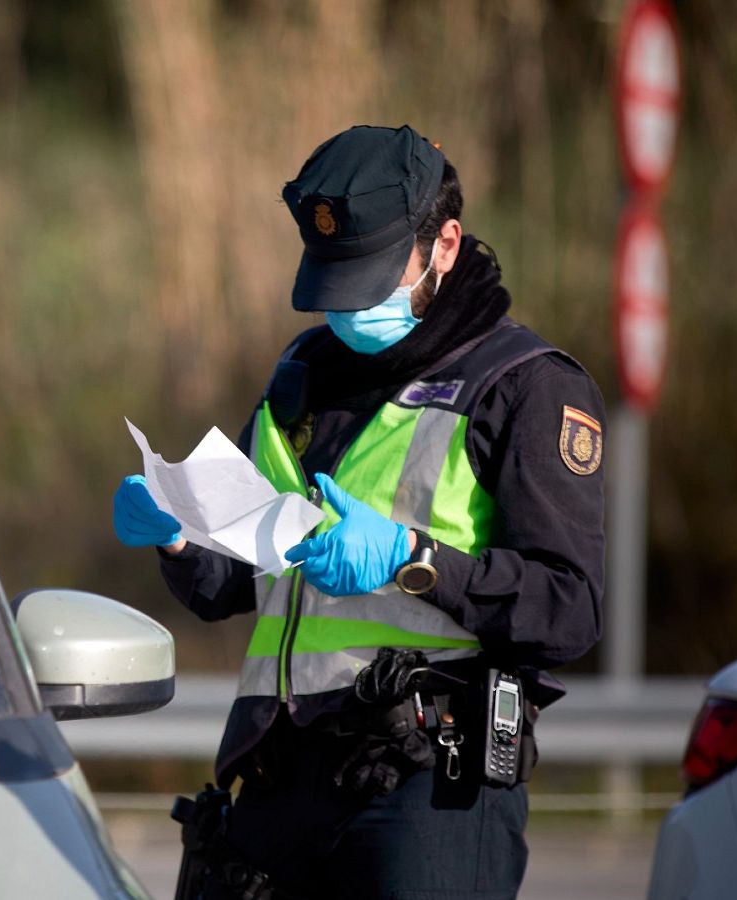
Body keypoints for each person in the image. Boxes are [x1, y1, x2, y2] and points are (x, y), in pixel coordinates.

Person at [113, 125, 604, 898]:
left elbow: (569, 612)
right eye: (335, 282)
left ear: (444, 245)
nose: (348, 308)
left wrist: (415, 558)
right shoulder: (302, 377)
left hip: (425, 790)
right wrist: (179, 538)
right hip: (279, 782)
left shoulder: (524, 386)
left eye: (371, 278)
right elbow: (234, 587)